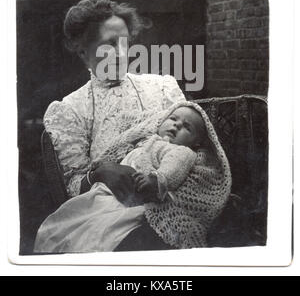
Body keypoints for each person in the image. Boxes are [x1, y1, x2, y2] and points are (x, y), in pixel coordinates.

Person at [40, 0, 186, 250]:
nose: (120, 54)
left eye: (124, 43)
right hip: (109, 213)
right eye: (108, 44)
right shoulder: (71, 110)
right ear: (83, 52)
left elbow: (189, 144)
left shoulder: (162, 88)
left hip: (171, 197)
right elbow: (73, 185)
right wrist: (100, 172)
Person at [34, 101, 231, 253]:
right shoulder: (144, 141)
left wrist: (157, 180)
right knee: (71, 222)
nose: (176, 126)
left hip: (132, 202)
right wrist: (101, 165)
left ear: (196, 143)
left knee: (102, 232)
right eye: (173, 119)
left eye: (187, 127)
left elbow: (175, 166)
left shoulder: (180, 151)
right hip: (106, 193)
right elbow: (117, 153)